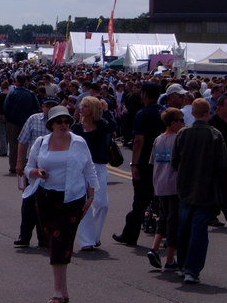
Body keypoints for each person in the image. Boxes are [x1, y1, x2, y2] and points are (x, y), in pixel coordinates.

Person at [23, 105, 98, 303]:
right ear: (51, 125)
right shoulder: (41, 143)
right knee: (54, 241)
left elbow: (89, 168)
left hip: (72, 198)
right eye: (59, 122)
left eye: (67, 122)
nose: (64, 125)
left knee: (60, 240)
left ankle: (57, 290)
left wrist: (92, 193)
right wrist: (37, 172)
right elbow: (28, 168)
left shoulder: (79, 142)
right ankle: (63, 290)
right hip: (46, 197)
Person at [171, 98, 227, 284]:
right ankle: (192, 270)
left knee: (184, 228)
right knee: (199, 231)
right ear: (208, 112)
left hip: (185, 187)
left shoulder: (183, 133)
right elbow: (222, 164)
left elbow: (175, 161)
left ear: (193, 113)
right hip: (206, 189)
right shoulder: (215, 135)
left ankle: (182, 264)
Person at [113, 82, 165, 246]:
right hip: (163, 161)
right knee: (165, 201)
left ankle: (130, 234)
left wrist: (134, 164)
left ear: (144, 94)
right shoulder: (165, 112)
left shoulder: (143, 114)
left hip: (145, 161)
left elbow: (139, 140)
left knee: (140, 201)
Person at [71, 96, 116, 251]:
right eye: (82, 106)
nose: (82, 109)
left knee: (102, 204)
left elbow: (113, 127)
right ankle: (86, 241)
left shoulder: (102, 124)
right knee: (85, 204)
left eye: (86, 106)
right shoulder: (77, 127)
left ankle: (95, 236)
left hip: (99, 166)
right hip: (81, 168)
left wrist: (106, 111)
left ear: (94, 109)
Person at [14, 96, 59, 247]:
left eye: (53, 105)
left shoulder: (60, 123)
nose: (50, 108)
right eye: (48, 105)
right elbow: (22, 141)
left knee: (47, 204)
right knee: (28, 202)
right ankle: (24, 236)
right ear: (42, 106)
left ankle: (44, 237)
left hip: (52, 169)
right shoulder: (33, 119)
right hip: (33, 167)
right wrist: (20, 162)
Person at [146, 108, 185, 270]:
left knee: (163, 217)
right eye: (181, 120)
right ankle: (170, 259)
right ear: (173, 122)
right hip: (174, 185)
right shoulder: (179, 139)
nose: (183, 123)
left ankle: (155, 248)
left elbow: (153, 161)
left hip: (160, 184)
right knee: (173, 221)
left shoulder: (159, 139)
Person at [208, 95, 227, 227]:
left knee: (225, 188)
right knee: (219, 188)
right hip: (215, 161)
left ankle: (213, 215)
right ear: (218, 108)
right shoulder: (212, 123)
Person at [4, 73, 40, 174]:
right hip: (26, 122)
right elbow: (37, 108)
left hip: (13, 122)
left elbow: (6, 107)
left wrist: (8, 118)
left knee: (13, 144)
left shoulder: (12, 93)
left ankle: (13, 165)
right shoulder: (30, 93)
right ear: (25, 82)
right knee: (24, 144)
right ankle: (23, 164)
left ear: (16, 81)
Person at [0, 80, 10, 157]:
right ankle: (5, 148)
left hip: (0, 115)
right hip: (8, 116)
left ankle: (3, 150)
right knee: (7, 134)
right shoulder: (10, 95)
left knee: (2, 134)